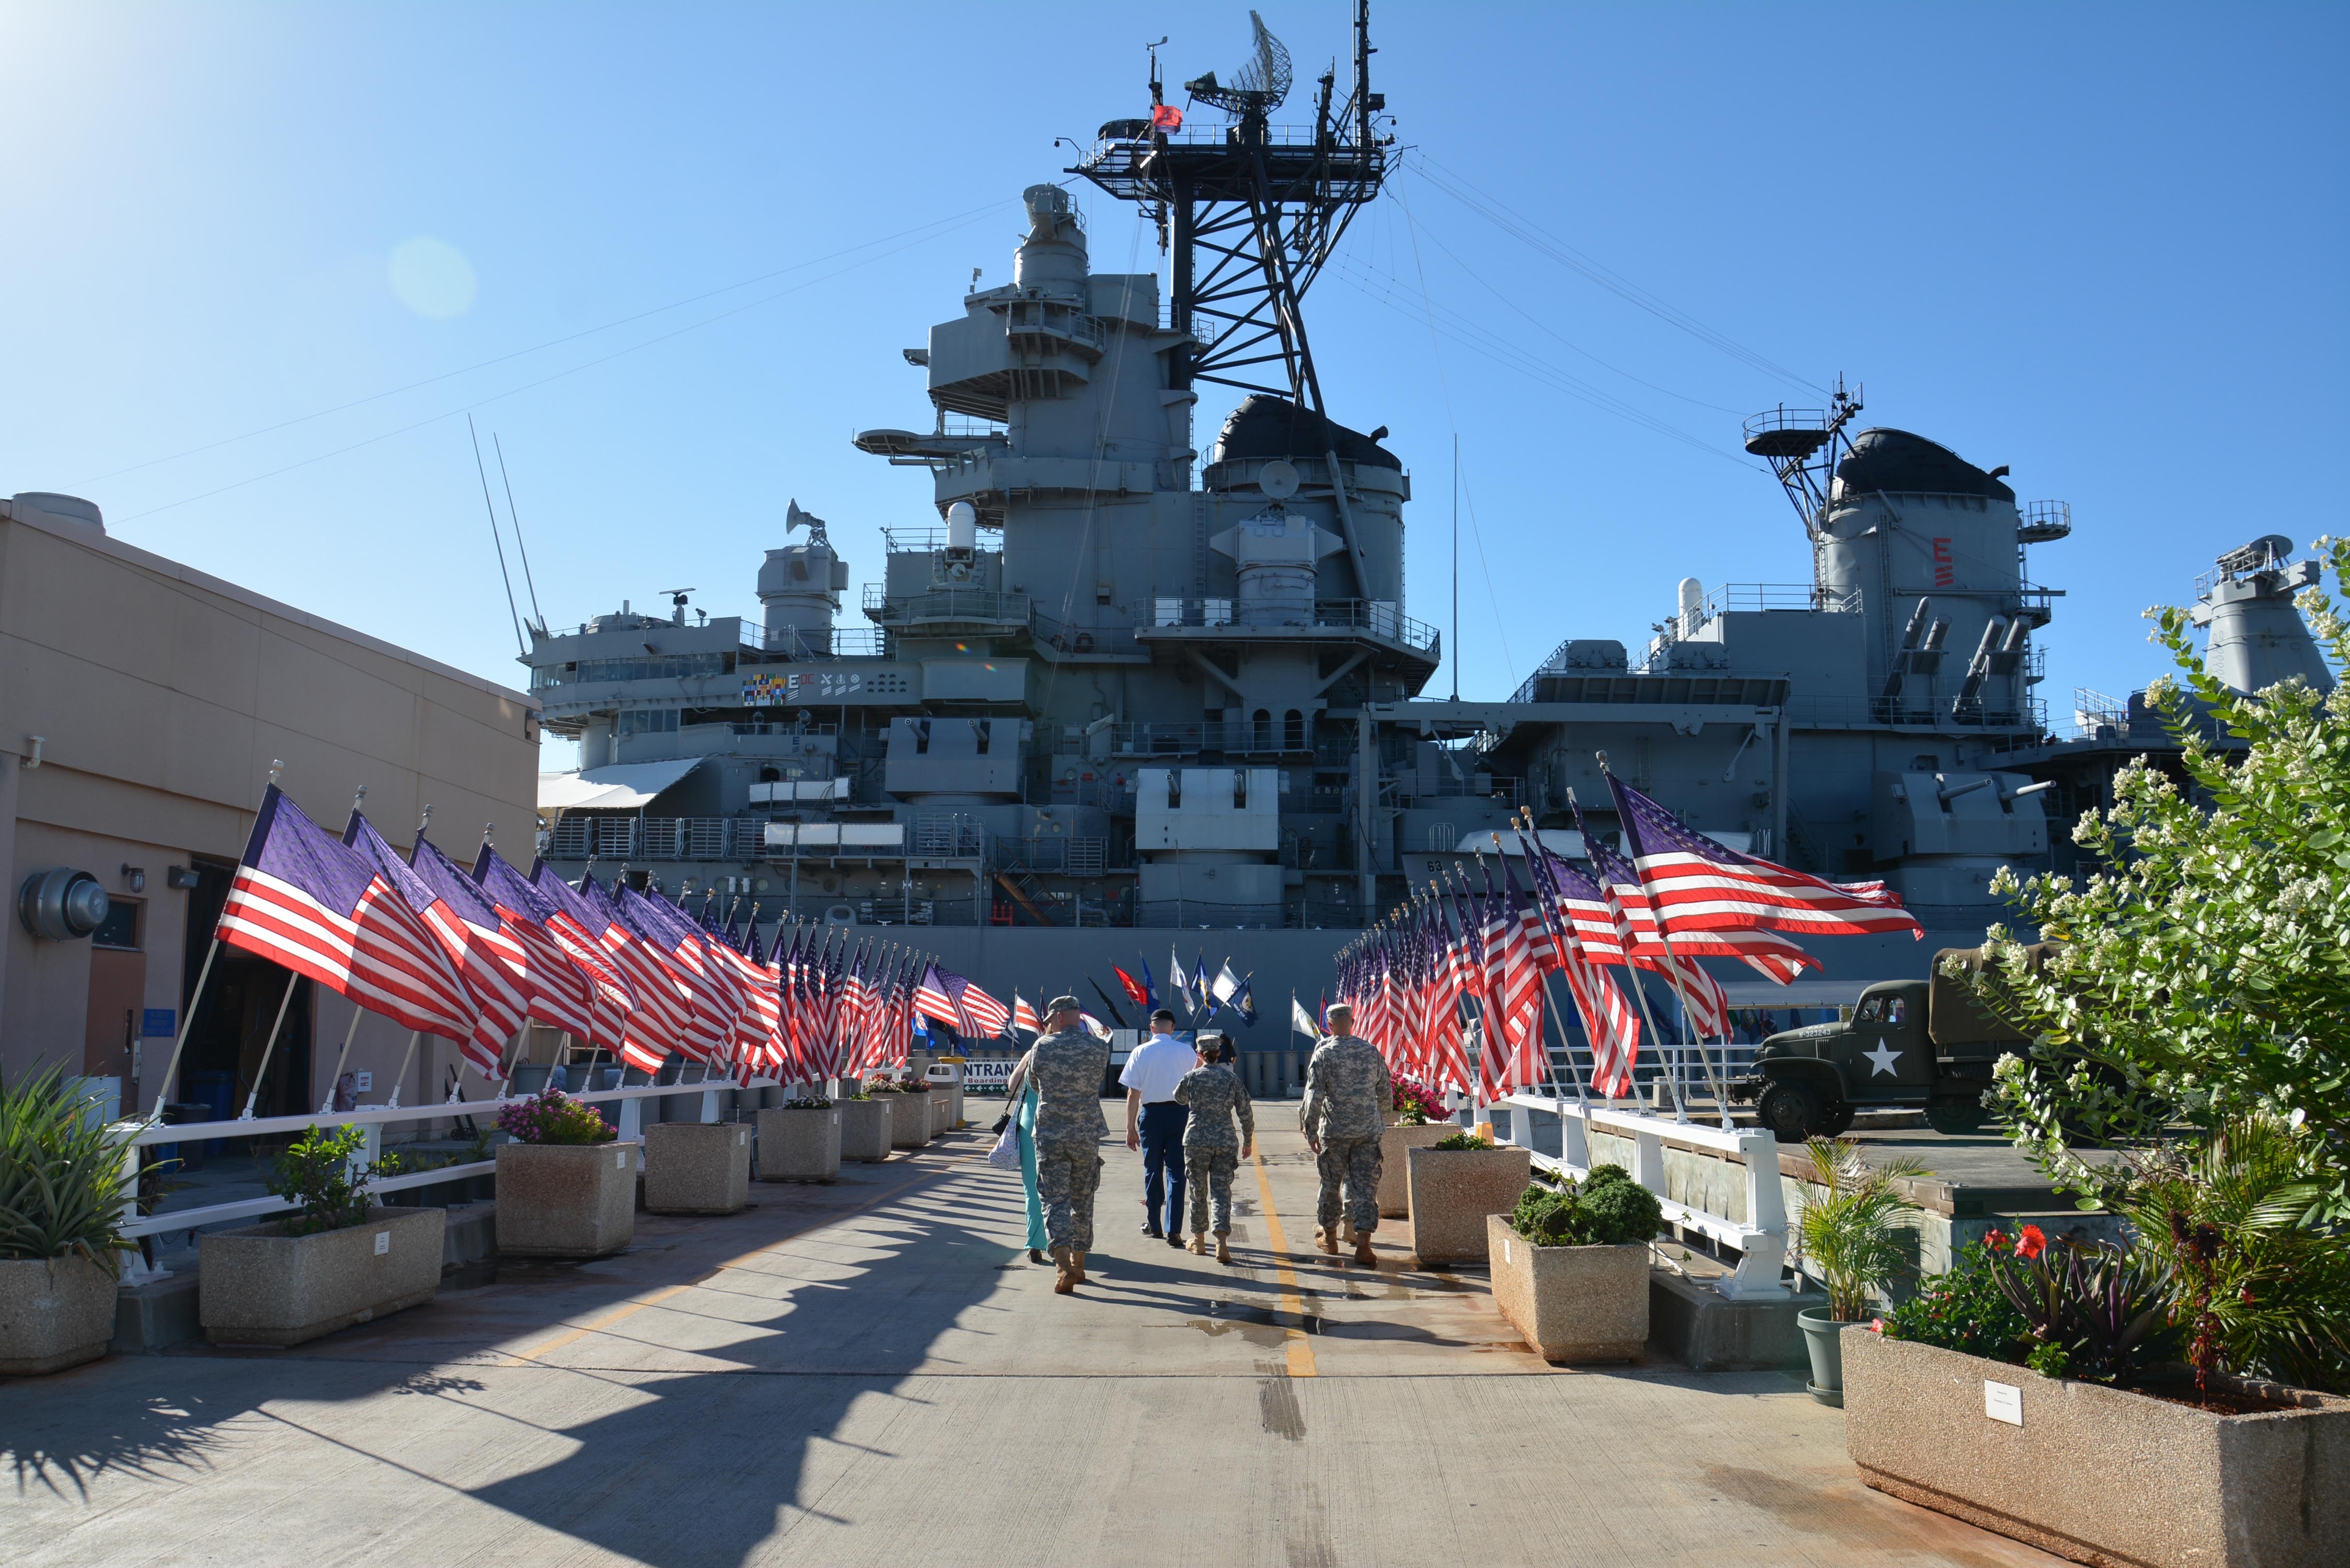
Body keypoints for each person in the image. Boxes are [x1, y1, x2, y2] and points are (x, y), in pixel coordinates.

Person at [1013, 995, 1111, 1293]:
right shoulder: (1098, 1047)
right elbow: (1097, 1081)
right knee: (1083, 1200)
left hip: (1051, 1134)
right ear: (1077, 1016)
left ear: (1056, 1017)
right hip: (1086, 1133)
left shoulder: (1042, 1046)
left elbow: (1033, 1084)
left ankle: (1063, 1267)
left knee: (1055, 1200)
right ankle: (1079, 1265)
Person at [1298, 1001, 1392, 1267]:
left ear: (1329, 1025)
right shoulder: (1370, 1051)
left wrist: (1311, 1128)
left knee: (1330, 1185)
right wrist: (1378, 1114)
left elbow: (1314, 1094)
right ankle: (1364, 1246)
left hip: (1335, 1132)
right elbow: (1386, 1093)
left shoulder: (1324, 1054)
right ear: (1352, 1021)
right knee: (1366, 1188)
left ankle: (1330, 1239)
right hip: (1367, 1132)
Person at [1171, 1030, 1253, 1264]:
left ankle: (1198, 1241)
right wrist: (1247, 1140)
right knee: (1222, 1193)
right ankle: (1222, 1244)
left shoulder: (1192, 1077)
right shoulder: (1231, 1079)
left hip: (1196, 1139)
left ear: (1200, 1053)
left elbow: (1179, 1099)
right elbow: (1245, 1112)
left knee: (1198, 1192)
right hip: (1225, 1140)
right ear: (1219, 1053)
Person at [1120, 1006, 1194, 1246]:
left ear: (1152, 1028)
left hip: (1151, 1116)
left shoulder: (1140, 1052)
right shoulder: (1186, 1051)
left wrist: (1130, 1127)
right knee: (1176, 1172)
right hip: (1180, 1114)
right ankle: (1175, 1229)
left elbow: (1133, 1092)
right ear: (1173, 1028)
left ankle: (1154, 1224)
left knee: (1153, 1170)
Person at [995, 1052, 1049, 1263]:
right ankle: (1064, 1241)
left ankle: (1035, 1244)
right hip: (1061, 1127)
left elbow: (1012, 1085)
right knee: (1063, 1188)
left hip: (1029, 1126)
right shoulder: (1072, 1052)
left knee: (1032, 1187)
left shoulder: (1033, 1053)